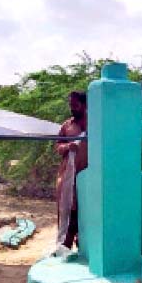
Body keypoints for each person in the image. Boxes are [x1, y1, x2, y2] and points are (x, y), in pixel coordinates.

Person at [55, 91, 88, 248]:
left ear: (85, 105)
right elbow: (58, 147)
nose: (72, 108)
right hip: (69, 177)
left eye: (75, 105)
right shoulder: (66, 126)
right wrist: (68, 146)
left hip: (88, 177)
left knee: (86, 211)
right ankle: (65, 246)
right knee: (69, 211)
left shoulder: (94, 124)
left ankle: (83, 244)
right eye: (70, 105)